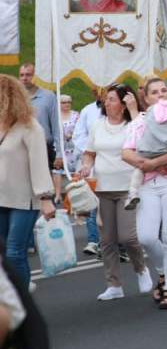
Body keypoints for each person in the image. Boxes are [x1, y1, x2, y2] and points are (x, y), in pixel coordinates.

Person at [77, 84, 152, 301]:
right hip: (102, 188)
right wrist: (86, 165)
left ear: (123, 104)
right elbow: (90, 153)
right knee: (107, 239)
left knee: (128, 236)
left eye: (111, 99)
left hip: (129, 187)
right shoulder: (98, 125)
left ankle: (141, 269)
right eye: (106, 99)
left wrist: (135, 109)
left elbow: (145, 143)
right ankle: (114, 285)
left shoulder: (133, 125)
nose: (106, 103)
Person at [121, 78, 167, 310]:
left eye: (164, 90)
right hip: (147, 183)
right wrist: (146, 163)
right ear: (146, 98)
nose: (160, 95)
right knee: (146, 236)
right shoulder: (140, 122)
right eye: (154, 92)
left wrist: (157, 162)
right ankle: (162, 273)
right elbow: (127, 153)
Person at [0, 75, 57, 284]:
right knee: (3, 255)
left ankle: (22, 298)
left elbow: (39, 162)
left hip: (24, 201)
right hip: (1, 198)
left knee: (15, 253)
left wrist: (46, 197)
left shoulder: (30, 127)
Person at [72, 89, 104, 257]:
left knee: (110, 203)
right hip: (92, 162)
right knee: (92, 201)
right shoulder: (87, 110)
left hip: (114, 164)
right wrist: (90, 152)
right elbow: (79, 134)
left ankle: (114, 242)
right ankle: (93, 240)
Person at [18, 64, 59, 178]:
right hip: (20, 148)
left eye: (28, 75)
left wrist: (60, 153)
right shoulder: (15, 97)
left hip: (43, 148)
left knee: (43, 184)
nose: (24, 78)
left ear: (36, 76)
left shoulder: (49, 96)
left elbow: (56, 126)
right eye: (21, 75)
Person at [56, 94, 79, 200]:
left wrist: (72, 134)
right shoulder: (56, 115)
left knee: (75, 168)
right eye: (64, 102)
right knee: (57, 169)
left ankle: (74, 194)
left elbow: (80, 129)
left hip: (73, 146)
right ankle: (58, 194)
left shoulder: (76, 115)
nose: (67, 104)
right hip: (60, 146)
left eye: (69, 102)